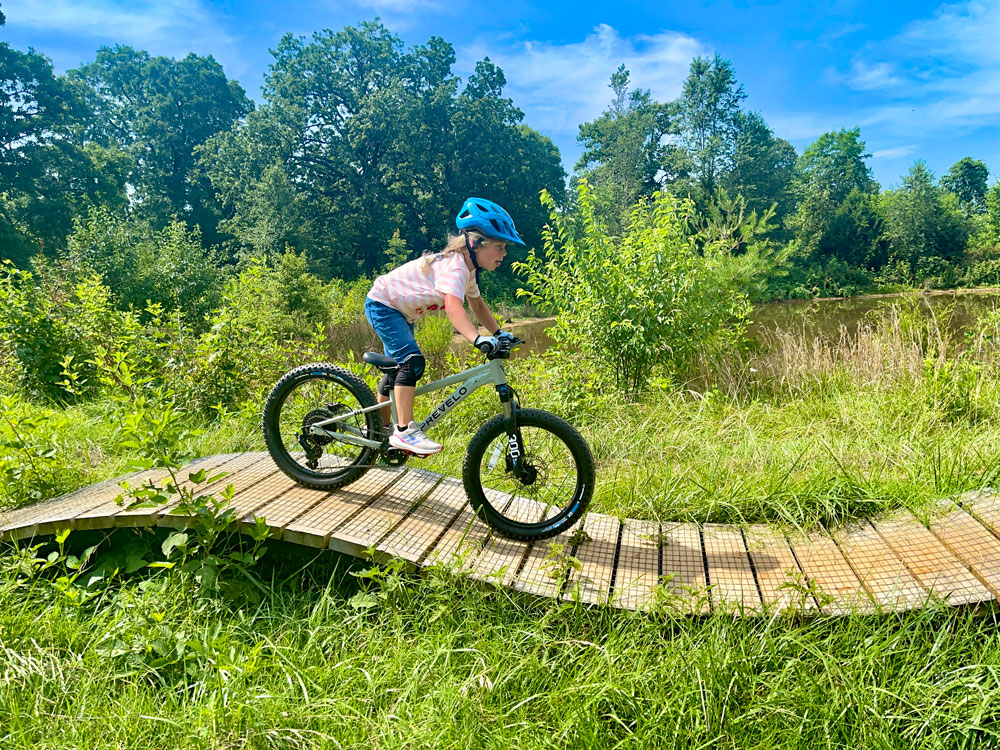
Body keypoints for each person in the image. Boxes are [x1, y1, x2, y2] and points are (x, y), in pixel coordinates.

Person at [364, 197, 524, 456]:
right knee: (411, 362)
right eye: (500, 246)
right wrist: (476, 339)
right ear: (476, 244)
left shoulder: (467, 271)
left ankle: (379, 432)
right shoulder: (455, 267)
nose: (504, 253)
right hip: (384, 304)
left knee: (397, 370)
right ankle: (404, 431)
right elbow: (453, 307)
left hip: (399, 312)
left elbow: (477, 305)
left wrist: (498, 333)